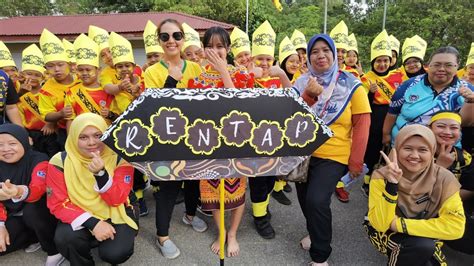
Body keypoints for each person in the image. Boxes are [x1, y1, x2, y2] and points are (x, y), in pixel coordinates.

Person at [293, 34, 371, 265]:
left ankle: (320, 256)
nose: (320, 55)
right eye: (314, 51)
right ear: (308, 57)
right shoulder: (302, 82)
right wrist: (309, 95)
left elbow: (362, 123)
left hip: (334, 155)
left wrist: (356, 161)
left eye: (326, 50)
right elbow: (292, 119)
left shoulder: (351, 84)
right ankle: (316, 233)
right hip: (303, 153)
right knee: (306, 200)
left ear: (335, 54)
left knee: (317, 200)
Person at [188, 26, 254, 257]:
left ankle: (233, 233)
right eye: (210, 46)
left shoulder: (243, 75)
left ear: (227, 49)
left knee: (236, 192)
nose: (215, 51)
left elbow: (242, 109)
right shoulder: (196, 80)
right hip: (209, 145)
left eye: (220, 46)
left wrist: (224, 72)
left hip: (237, 143)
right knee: (212, 194)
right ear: (204, 49)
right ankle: (222, 231)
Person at [144, 18, 207, 260]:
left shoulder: (195, 68)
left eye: (176, 36)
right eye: (165, 36)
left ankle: (190, 215)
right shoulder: (151, 72)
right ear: (159, 40)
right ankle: (162, 236)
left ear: (183, 38)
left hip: (193, 138)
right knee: (169, 187)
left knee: (193, 181)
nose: (171, 41)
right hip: (166, 140)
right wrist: (171, 80)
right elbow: (153, 109)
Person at [365, 124, 465, 265]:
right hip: (383, 231)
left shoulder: (445, 178)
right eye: (407, 148)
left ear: (432, 152)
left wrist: (398, 224)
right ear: (397, 150)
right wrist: (392, 184)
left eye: (423, 150)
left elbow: (456, 227)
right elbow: (380, 224)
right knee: (421, 247)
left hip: (409, 228)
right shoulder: (382, 175)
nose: (414, 155)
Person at [47, 113, 138, 265]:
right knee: (65, 238)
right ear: (73, 137)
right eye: (83, 137)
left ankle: (101, 240)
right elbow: (57, 203)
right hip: (80, 211)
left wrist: (101, 174)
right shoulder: (59, 161)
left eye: (98, 135)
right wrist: (93, 223)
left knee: (115, 253)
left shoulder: (120, 157)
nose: (92, 143)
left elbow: (117, 200)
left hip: (117, 210)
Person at [248, 20, 292, 240]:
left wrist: (282, 75)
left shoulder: (278, 79)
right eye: (260, 59)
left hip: (275, 138)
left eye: (268, 59)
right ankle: (260, 217)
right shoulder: (245, 78)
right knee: (257, 179)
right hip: (253, 141)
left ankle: (262, 207)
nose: (264, 63)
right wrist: (248, 77)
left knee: (270, 178)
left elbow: (295, 100)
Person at [382, 46, 474, 147]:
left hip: (445, 149)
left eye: (448, 65)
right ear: (428, 65)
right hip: (405, 145)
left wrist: (470, 102)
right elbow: (392, 113)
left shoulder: (468, 90)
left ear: (457, 66)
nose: (441, 69)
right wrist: (386, 134)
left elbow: (465, 123)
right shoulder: (409, 85)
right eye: (436, 65)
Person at [0, 124, 63, 265]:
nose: (6, 149)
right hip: (12, 215)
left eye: (12, 143)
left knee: (32, 210)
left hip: (41, 214)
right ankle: (33, 237)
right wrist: (0, 225)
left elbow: (38, 189)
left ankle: (54, 250)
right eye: (0, 145)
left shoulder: (40, 159)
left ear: (23, 141)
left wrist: (17, 191)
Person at [361, 30, 404, 198]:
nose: (382, 64)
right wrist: (371, 93)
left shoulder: (397, 76)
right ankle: (367, 179)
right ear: (373, 62)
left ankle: (387, 178)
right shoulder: (367, 78)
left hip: (393, 116)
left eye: (385, 60)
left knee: (389, 148)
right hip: (375, 117)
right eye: (378, 61)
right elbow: (363, 104)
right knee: (373, 149)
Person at [270, 36, 300, 206]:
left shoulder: (298, 78)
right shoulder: (276, 78)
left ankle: (280, 185)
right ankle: (277, 188)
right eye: (291, 61)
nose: (295, 64)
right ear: (282, 62)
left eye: (297, 61)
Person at [65, 34, 116, 129]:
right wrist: (71, 141)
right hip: (82, 135)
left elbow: (117, 116)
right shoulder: (72, 92)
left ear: (98, 70)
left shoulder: (107, 90)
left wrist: (110, 114)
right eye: (80, 70)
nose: (84, 73)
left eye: (88, 70)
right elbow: (70, 119)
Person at [17, 44, 60, 157]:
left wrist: (51, 123)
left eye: (37, 75)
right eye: (29, 74)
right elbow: (18, 115)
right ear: (22, 74)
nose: (33, 77)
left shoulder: (47, 91)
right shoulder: (20, 94)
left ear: (42, 77)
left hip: (49, 132)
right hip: (30, 133)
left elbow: (57, 109)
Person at [38, 29, 77, 149]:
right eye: (51, 66)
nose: (56, 69)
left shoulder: (82, 79)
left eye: (60, 64)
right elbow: (46, 115)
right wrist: (60, 114)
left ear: (69, 65)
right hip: (64, 131)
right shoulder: (46, 89)